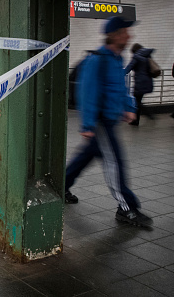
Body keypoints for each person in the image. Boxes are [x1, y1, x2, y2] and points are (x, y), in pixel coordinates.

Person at [65, 16, 153, 227]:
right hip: (100, 122)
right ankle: (126, 209)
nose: (128, 36)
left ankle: (62, 185)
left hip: (110, 119)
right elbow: (87, 93)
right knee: (115, 163)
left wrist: (128, 108)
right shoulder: (98, 59)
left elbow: (121, 88)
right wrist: (87, 124)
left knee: (84, 158)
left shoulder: (117, 59)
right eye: (124, 32)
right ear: (113, 36)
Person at [124, 43, 155, 126]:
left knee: (136, 101)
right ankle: (136, 120)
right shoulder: (147, 56)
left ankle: (147, 114)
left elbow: (128, 68)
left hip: (140, 82)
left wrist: (119, 74)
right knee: (138, 100)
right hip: (147, 81)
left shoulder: (136, 57)